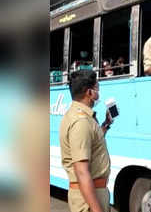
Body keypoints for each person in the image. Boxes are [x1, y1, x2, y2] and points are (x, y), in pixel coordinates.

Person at [59, 69, 113, 212]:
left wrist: (106, 124)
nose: (98, 93)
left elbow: (92, 144)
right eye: (97, 88)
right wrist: (96, 209)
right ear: (89, 92)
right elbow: (82, 172)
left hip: (93, 192)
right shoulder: (81, 122)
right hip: (89, 198)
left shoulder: (81, 116)